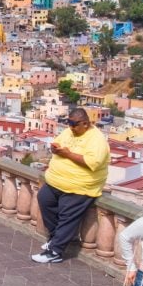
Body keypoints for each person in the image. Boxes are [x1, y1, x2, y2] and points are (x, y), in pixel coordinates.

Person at [31, 107, 110, 264]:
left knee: (68, 216)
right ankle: (56, 238)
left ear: (85, 124)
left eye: (74, 124)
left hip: (79, 187)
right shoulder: (69, 131)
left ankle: (55, 251)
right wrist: (55, 148)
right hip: (56, 181)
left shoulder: (97, 140)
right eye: (69, 123)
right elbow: (59, 143)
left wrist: (67, 154)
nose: (71, 127)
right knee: (44, 199)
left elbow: (92, 163)